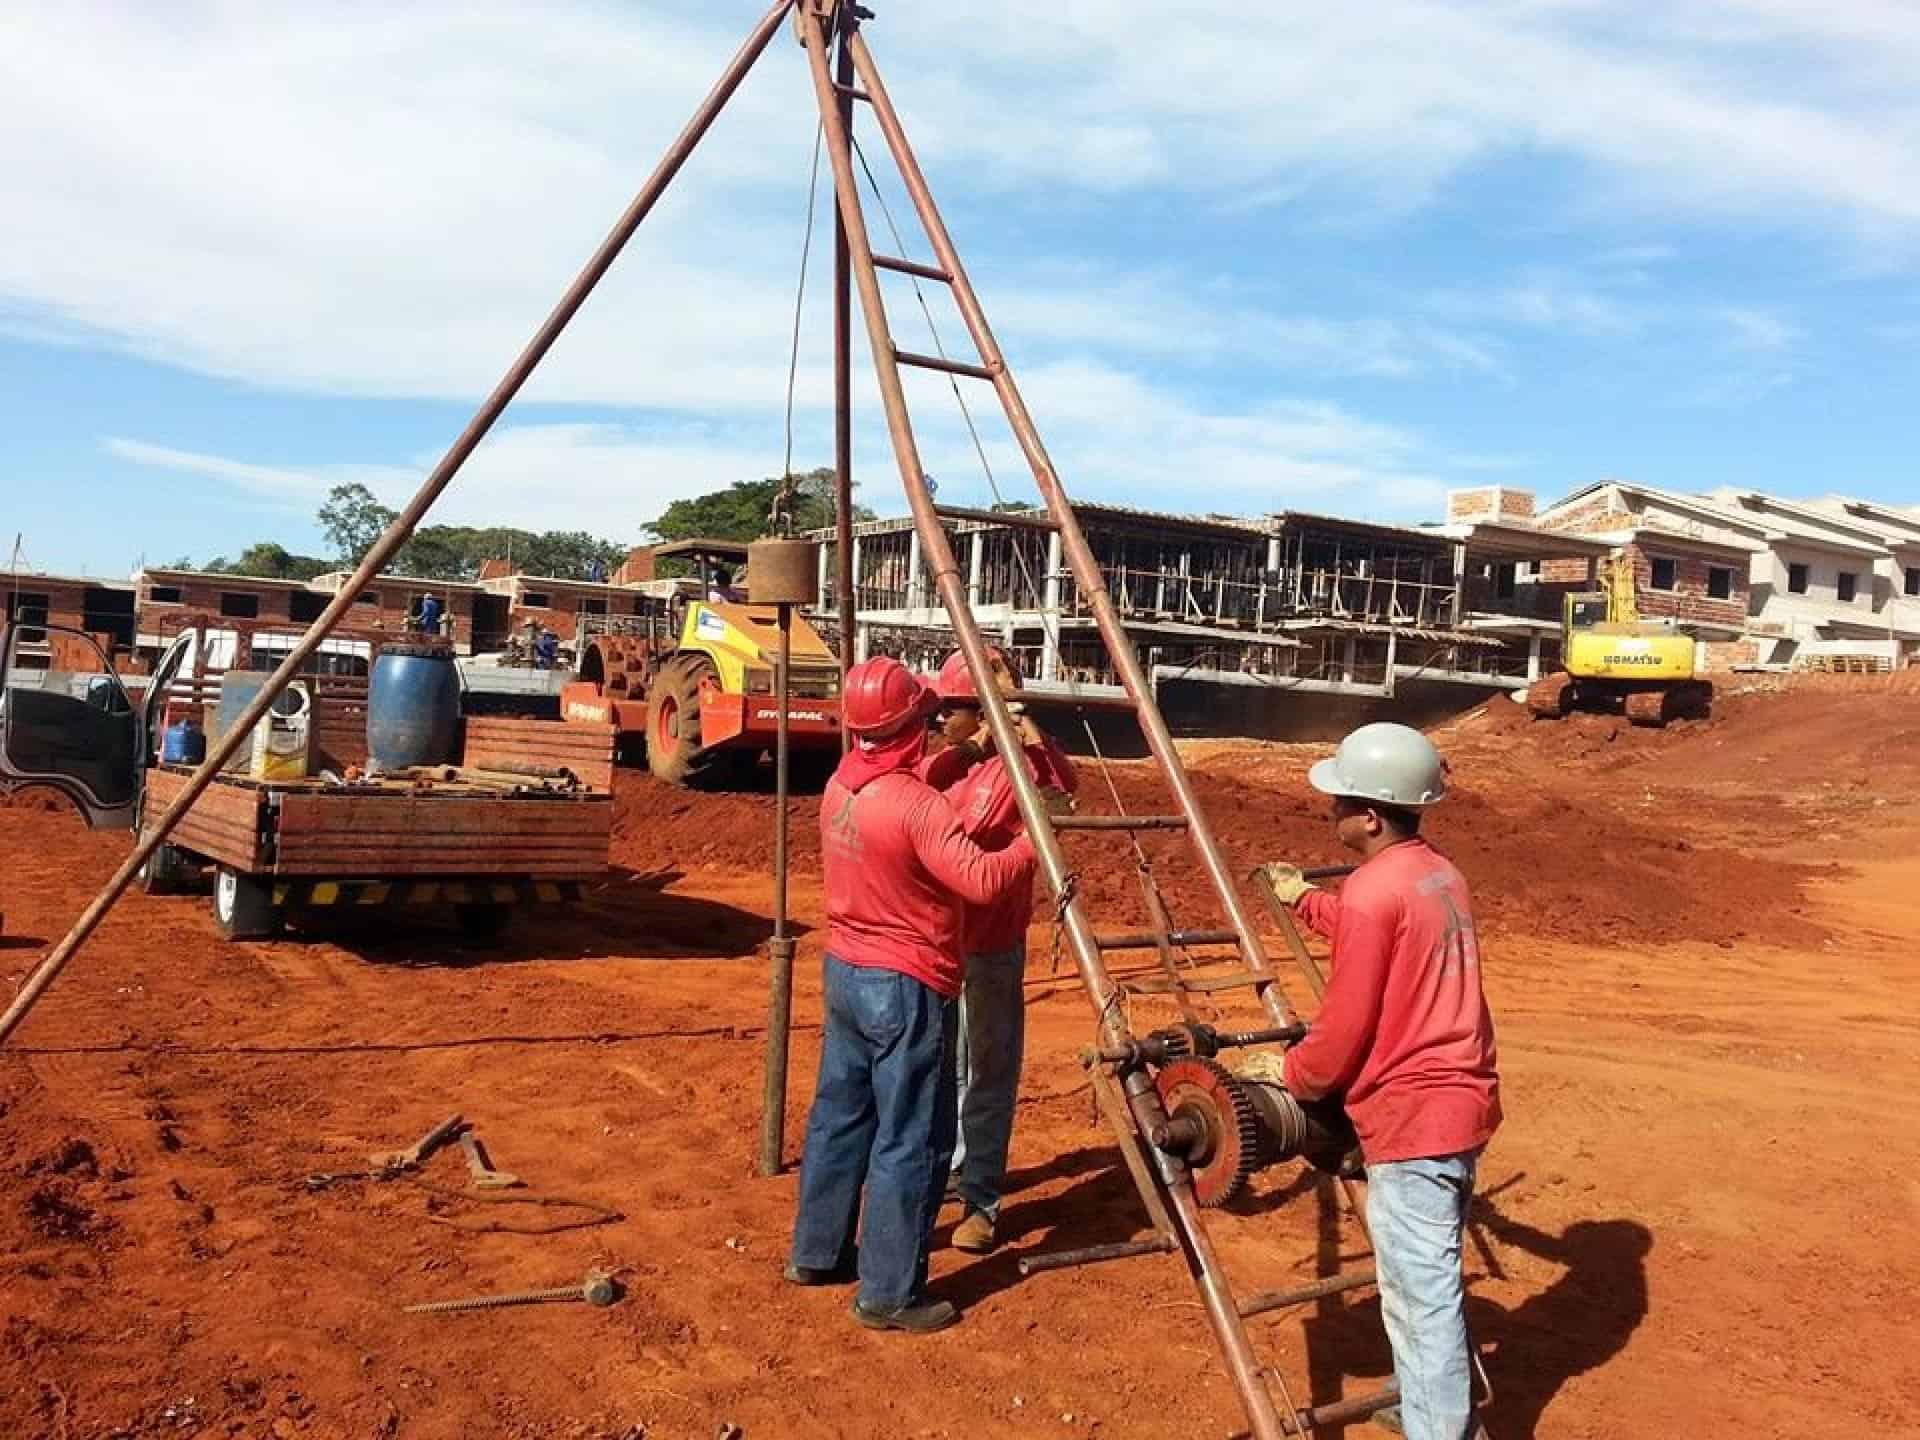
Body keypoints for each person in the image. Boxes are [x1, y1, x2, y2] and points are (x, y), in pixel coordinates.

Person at [1257, 722, 1499, 1440]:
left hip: (1413, 1116)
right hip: (1464, 1099)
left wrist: (1292, 1075)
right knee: (1429, 1284)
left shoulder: (1373, 892)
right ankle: (1425, 1404)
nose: (1329, 812)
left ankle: (1440, 1430)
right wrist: (1304, 899)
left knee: (1420, 1301)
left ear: (1370, 815)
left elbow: (1342, 1029)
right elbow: (1390, 935)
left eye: (1339, 802)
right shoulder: (1436, 873)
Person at [787, 655, 1036, 1334]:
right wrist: (1031, 844)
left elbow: (904, 787)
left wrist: (957, 761)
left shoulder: (842, 785)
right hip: (908, 982)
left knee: (840, 1116)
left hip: (845, 971)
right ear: (914, 724)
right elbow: (981, 880)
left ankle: (816, 1252)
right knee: (913, 1136)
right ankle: (891, 1293)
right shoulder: (917, 807)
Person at [921, 647, 1076, 1255]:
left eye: (951, 710)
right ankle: (946, 1171)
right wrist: (968, 747)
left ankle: (980, 1198)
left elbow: (1063, 798)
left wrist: (1020, 719)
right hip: (935, 944)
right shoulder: (949, 767)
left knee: (986, 1076)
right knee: (939, 1072)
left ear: (981, 711)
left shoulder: (1019, 769)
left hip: (990, 945)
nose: (939, 722)